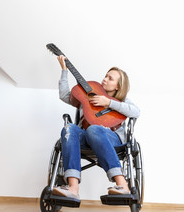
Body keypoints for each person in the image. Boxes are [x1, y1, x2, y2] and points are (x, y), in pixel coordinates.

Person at [53, 55, 140, 200]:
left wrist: (108, 103)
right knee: (69, 128)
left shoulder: (121, 100)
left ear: (118, 86)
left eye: (110, 78)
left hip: (111, 139)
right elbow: (64, 95)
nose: (105, 79)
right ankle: (73, 188)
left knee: (94, 128)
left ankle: (122, 185)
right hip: (85, 137)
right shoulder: (87, 97)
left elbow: (136, 112)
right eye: (106, 76)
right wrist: (64, 71)